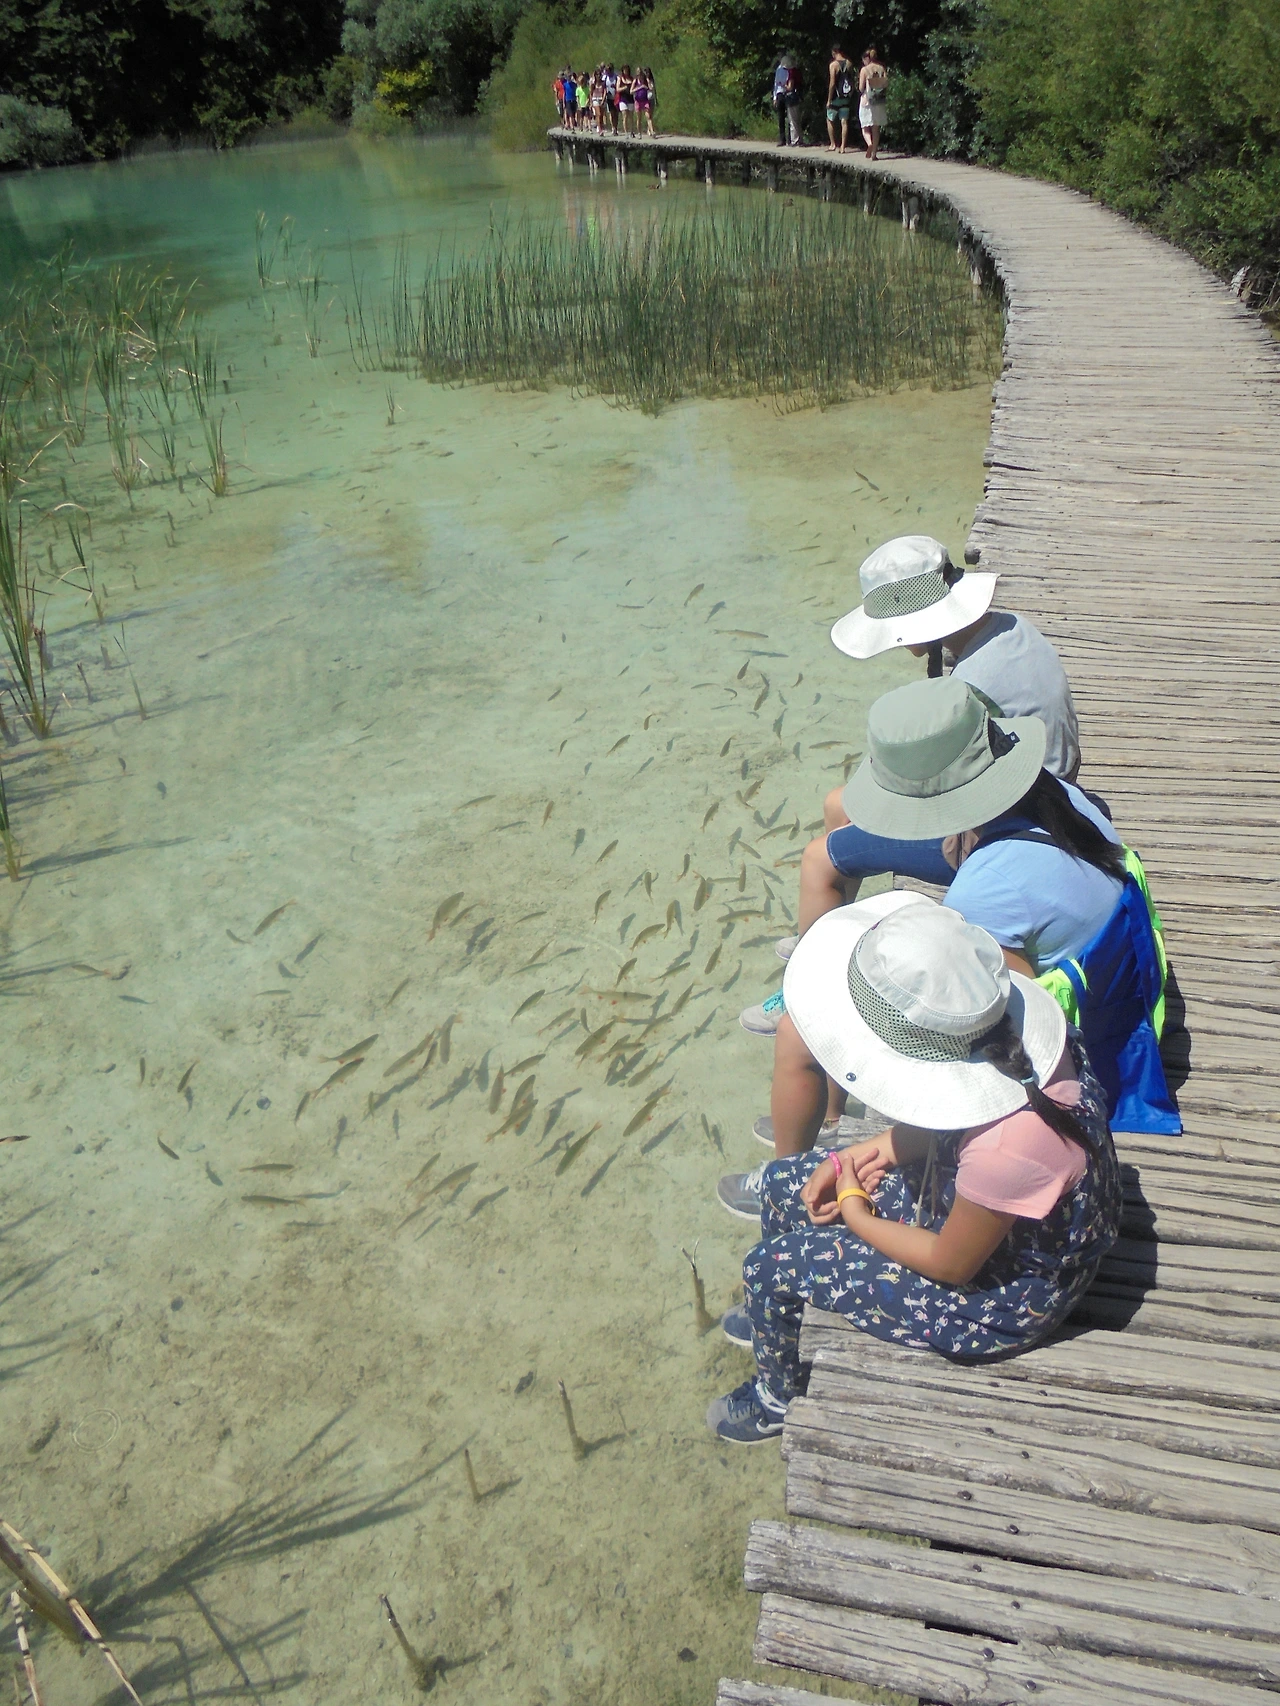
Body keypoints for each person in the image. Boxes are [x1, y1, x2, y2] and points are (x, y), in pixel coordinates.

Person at [719, 676, 1178, 1217]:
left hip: (1057, 1043)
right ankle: (823, 1128)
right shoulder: (1065, 798)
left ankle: (788, 1188)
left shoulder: (987, 888)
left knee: (798, 1032)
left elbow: (980, 1017)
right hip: (1112, 996)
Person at [705, 895, 1122, 1443]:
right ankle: (783, 1307)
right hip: (982, 1205)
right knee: (786, 1183)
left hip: (1003, 1294)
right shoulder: (1012, 1034)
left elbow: (952, 1264)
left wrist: (855, 1211)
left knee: (768, 1266)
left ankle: (776, 1395)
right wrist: (864, 1154)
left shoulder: (1011, 1148)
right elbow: (963, 1107)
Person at [740, 535, 1083, 1039]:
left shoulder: (971, 685)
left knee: (819, 857)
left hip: (1013, 828)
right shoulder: (1007, 631)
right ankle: (824, 934)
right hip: (1048, 794)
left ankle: (803, 992)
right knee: (840, 805)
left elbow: (943, 791)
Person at [858, 46, 888, 159]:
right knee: (876, 128)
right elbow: (886, 83)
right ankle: (874, 154)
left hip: (867, 100)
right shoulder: (881, 68)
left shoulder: (864, 70)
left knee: (865, 125)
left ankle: (869, 144)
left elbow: (861, 88)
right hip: (879, 100)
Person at [826, 43, 856, 153]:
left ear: (834, 52)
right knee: (844, 121)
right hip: (846, 95)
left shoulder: (833, 65)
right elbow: (852, 80)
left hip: (836, 97)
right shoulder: (849, 63)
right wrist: (851, 93)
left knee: (830, 119)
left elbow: (832, 83)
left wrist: (829, 99)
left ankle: (833, 144)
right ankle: (843, 146)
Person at [635, 68, 655, 137]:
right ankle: (639, 132)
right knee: (639, 118)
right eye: (638, 74)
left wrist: (648, 82)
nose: (640, 75)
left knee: (648, 116)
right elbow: (631, 91)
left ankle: (652, 132)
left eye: (641, 74)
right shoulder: (635, 81)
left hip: (645, 100)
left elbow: (651, 88)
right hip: (638, 101)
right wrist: (640, 87)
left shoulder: (646, 81)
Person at [616, 65, 634, 135]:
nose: (626, 71)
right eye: (624, 70)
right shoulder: (620, 79)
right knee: (625, 115)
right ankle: (626, 132)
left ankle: (632, 131)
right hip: (623, 99)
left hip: (630, 98)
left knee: (631, 116)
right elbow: (617, 89)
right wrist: (625, 87)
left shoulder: (631, 79)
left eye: (627, 70)